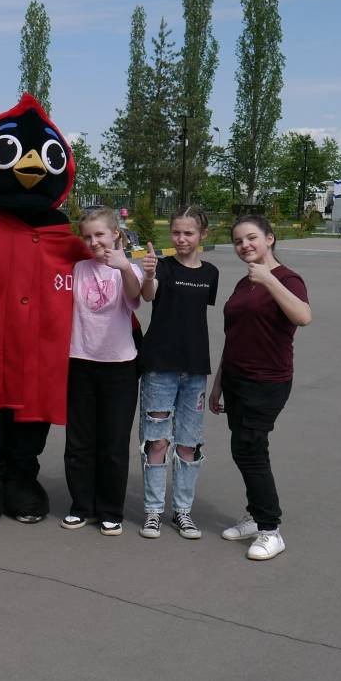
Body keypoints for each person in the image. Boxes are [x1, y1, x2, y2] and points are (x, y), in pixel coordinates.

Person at [210, 214, 312, 561]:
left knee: (250, 449)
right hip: (236, 378)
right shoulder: (244, 283)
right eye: (238, 241)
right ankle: (255, 516)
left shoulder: (287, 278)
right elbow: (234, 337)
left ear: (270, 238)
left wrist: (269, 280)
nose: (244, 245)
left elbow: (303, 316)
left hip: (267, 380)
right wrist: (218, 384)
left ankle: (270, 529)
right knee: (245, 449)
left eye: (251, 238)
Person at [136, 206, 219, 540]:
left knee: (188, 444)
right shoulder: (162, 267)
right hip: (160, 367)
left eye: (189, 233)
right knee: (157, 441)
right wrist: (148, 275)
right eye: (176, 232)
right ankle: (153, 511)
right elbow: (148, 296)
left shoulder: (211, 273)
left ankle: (182, 511)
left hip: (195, 368)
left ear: (202, 235)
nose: (181, 239)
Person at [60, 207, 143, 536]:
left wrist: (123, 266)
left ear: (115, 234)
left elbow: (135, 297)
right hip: (80, 361)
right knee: (79, 442)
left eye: (100, 235)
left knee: (113, 443)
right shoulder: (79, 269)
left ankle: (111, 510)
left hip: (120, 366)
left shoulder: (128, 268)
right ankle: (82, 506)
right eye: (87, 236)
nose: (94, 242)